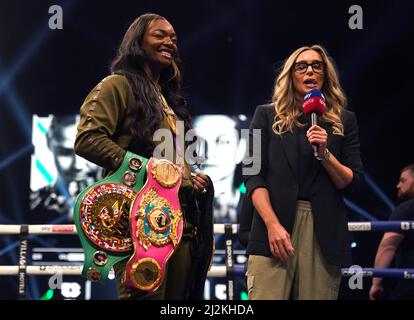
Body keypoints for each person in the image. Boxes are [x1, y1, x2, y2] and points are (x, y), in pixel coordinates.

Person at [74, 13, 213, 300]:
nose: (169, 42)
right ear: (137, 42)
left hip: (181, 224)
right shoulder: (117, 85)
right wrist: (149, 169)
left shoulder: (168, 98)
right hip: (140, 222)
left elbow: (173, 163)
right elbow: (87, 139)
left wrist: (190, 178)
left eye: (173, 38)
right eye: (159, 35)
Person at [242, 44, 364, 300]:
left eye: (316, 66)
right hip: (271, 226)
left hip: (324, 232)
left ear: (325, 75)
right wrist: (272, 225)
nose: (309, 71)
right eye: (302, 66)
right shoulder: (262, 115)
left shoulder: (345, 120)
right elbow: (251, 174)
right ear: (291, 75)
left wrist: (326, 154)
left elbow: (353, 181)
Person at [30, 115, 101, 221]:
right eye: (65, 152)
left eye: (90, 150)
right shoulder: (39, 209)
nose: (78, 165)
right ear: (49, 142)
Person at [369, 164, 414, 300]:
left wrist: (376, 283)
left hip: (408, 286)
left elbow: (388, 246)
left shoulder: (407, 208)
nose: (398, 185)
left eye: (403, 180)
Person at [193, 115, 247, 223]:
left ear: (241, 149)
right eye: (198, 141)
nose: (209, 153)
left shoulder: (254, 208)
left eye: (223, 142)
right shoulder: (176, 205)